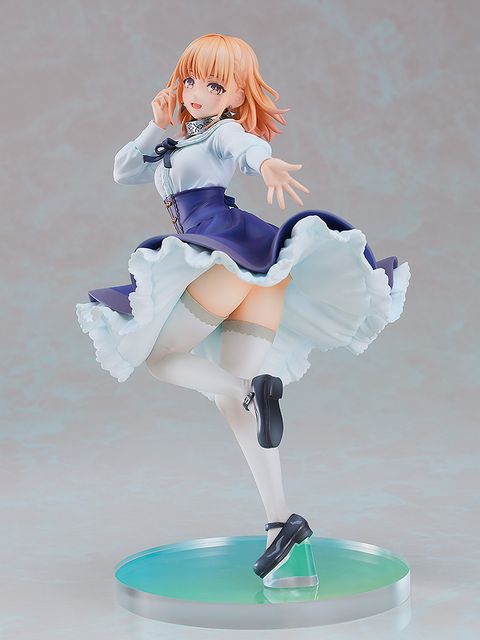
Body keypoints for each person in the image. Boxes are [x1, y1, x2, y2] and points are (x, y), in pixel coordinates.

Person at [76, 33, 411, 580]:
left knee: (163, 358)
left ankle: (251, 392)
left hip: (227, 260)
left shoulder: (223, 133)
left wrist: (268, 164)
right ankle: (282, 522)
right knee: (232, 402)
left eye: (214, 85)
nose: (197, 92)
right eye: (190, 79)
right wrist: (156, 124)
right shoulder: (177, 141)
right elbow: (123, 170)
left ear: (235, 95)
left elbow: (246, 148)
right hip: (259, 275)